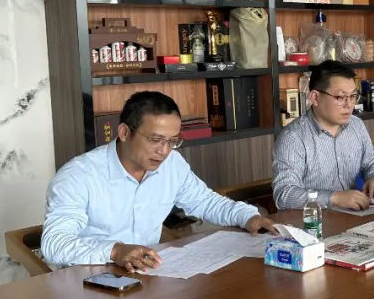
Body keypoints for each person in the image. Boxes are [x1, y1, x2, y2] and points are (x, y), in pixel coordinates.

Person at [41, 91, 276, 272]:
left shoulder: (172, 164)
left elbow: (205, 201)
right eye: (155, 140)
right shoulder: (77, 176)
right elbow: (55, 244)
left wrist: (247, 216)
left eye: (172, 141)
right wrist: (115, 251)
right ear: (124, 133)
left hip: (148, 273)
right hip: (90, 279)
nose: (164, 151)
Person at [272, 60, 374, 211]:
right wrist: (335, 198)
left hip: (353, 215)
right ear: (315, 98)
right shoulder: (293, 138)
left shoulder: (356, 125)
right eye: (340, 97)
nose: (349, 105)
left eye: (353, 96)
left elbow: (371, 162)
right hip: (313, 220)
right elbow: (284, 195)